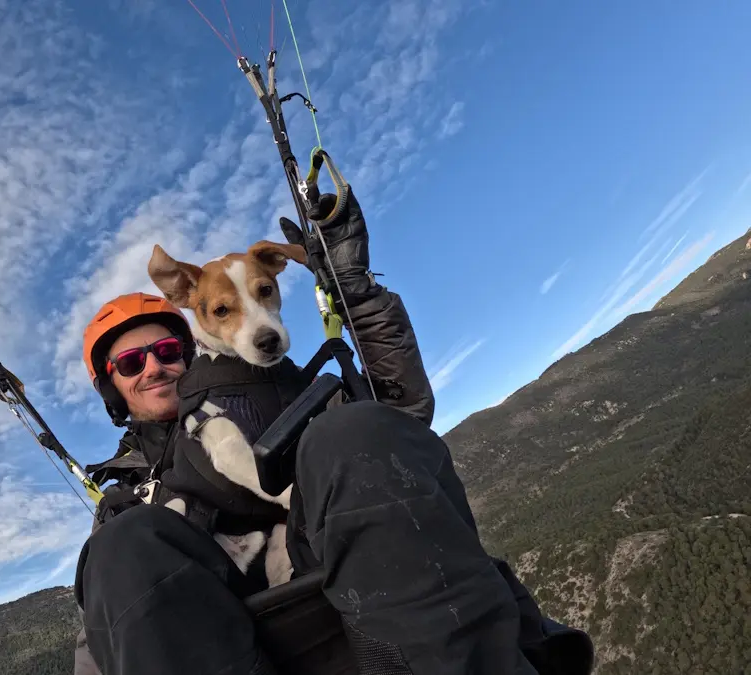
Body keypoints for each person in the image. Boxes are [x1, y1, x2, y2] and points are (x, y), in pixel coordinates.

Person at [70, 187, 594, 675]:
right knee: (120, 548)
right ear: (112, 388)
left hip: (355, 592)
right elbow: (105, 636)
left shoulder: (276, 390)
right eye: (131, 363)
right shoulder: (121, 503)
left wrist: (355, 294)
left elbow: (397, 412)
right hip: (229, 630)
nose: (153, 368)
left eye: (164, 351)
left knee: (352, 429)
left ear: (189, 349)